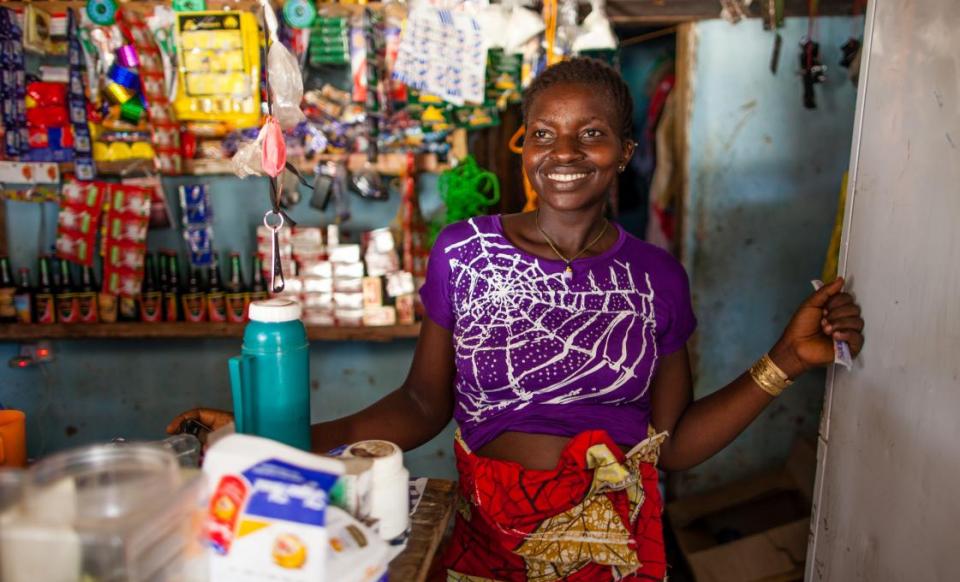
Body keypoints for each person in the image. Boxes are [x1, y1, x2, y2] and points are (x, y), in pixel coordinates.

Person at [168, 58, 865, 581]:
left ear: (625, 152)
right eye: (544, 134)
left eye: (591, 135)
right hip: (488, 538)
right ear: (524, 148)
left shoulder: (657, 279)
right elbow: (420, 403)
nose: (564, 154)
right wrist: (275, 440)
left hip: (612, 549)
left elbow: (671, 445)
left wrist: (789, 358)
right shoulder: (464, 252)